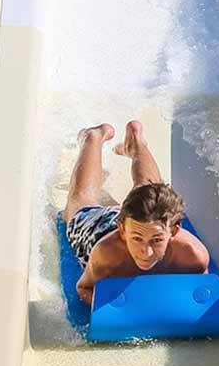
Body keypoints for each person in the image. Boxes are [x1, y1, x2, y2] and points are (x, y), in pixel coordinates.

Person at [63, 121, 209, 306]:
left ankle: (136, 144)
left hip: (140, 223)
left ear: (173, 232)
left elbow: (201, 292)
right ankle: (93, 138)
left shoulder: (193, 255)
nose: (146, 252)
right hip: (100, 230)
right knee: (80, 202)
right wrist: (119, 313)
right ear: (122, 231)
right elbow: (84, 288)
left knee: (150, 192)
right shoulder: (106, 255)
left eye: (156, 240)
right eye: (137, 239)